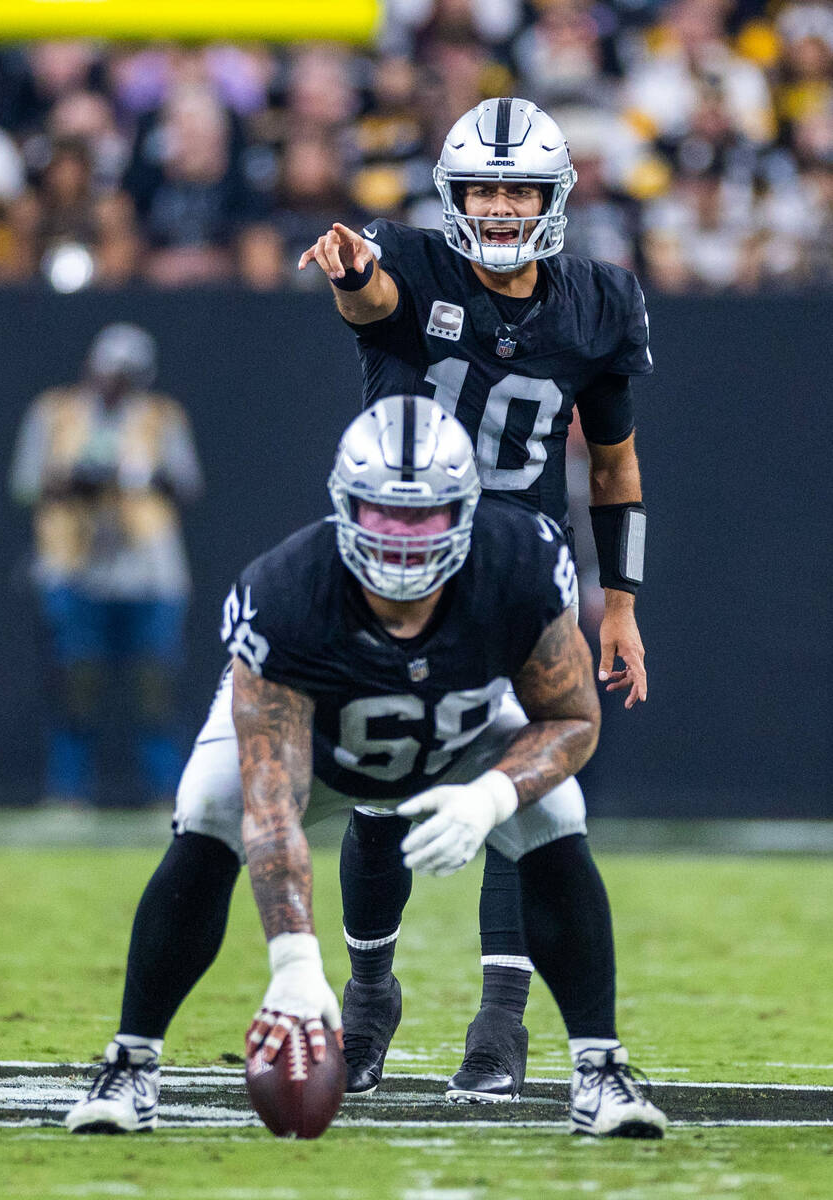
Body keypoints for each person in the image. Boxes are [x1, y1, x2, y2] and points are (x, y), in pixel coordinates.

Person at [65, 396, 666, 1138]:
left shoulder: (519, 561)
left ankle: (598, 1068)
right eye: (385, 515)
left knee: (555, 812)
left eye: (425, 517)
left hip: (460, 729)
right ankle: (131, 1062)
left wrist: (489, 796)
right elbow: (269, 798)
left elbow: (572, 719)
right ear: (344, 507)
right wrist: (292, 960)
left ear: (468, 511)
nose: (405, 540)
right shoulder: (286, 592)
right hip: (314, 743)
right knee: (210, 809)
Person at [296, 96, 652, 1100]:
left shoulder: (597, 302)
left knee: (519, 795)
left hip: (519, 569)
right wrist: (359, 277)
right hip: (397, 558)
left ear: (554, 197)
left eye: (518, 188)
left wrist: (619, 600)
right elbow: (366, 298)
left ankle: (500, 1025)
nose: (499, 207)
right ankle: (370, 999)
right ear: (454, 195)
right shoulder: (409, 259)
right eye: (484, 187)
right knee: (375, 788)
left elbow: (617, 469)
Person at [9, 323, 203, 805]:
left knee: (154, 686)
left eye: (129, 374)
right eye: (112, 371)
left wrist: (139, 477)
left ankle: (166, 793)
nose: (118, 382)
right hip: (76, 565)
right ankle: (68, 792)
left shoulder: (160, 417)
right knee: (76, 682)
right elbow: (26, 483)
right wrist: (74, 479)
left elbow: (186, 484)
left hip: (149, 570)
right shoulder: (55, 413)